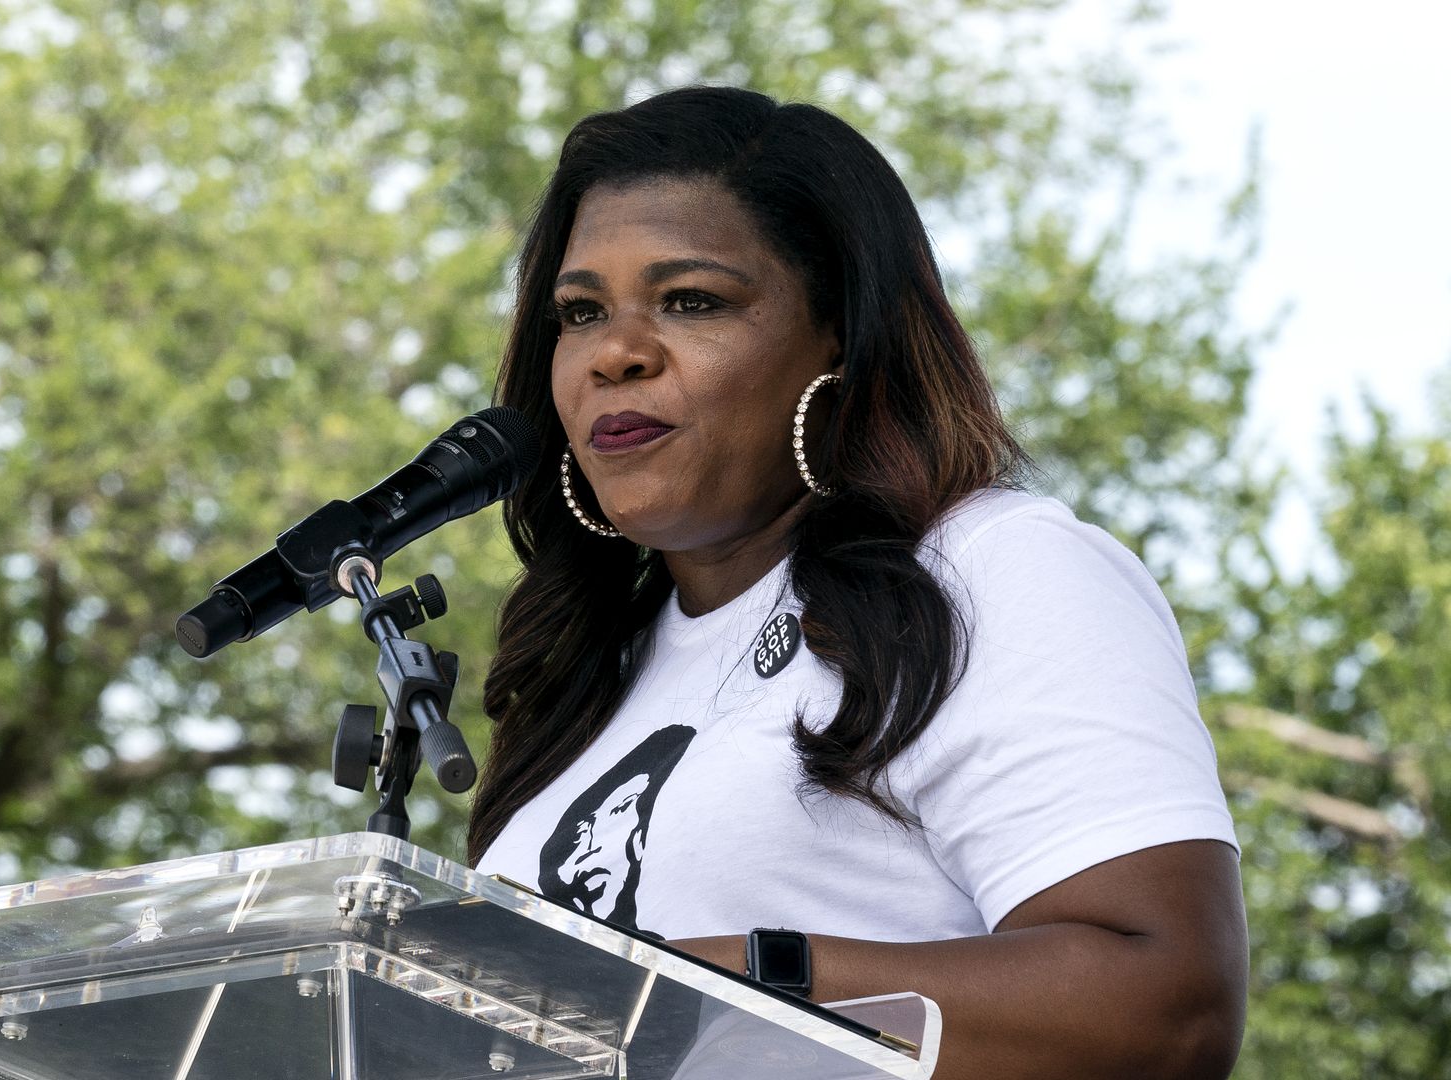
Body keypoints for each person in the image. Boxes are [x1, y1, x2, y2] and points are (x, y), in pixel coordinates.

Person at [468, 86, 1247, 1080]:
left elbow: (1165, 1007)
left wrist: (730, 983)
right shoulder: (589, 672)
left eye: (692, 301)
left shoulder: (993, 571)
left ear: (840, 332)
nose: (615, 353)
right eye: (580, 314)